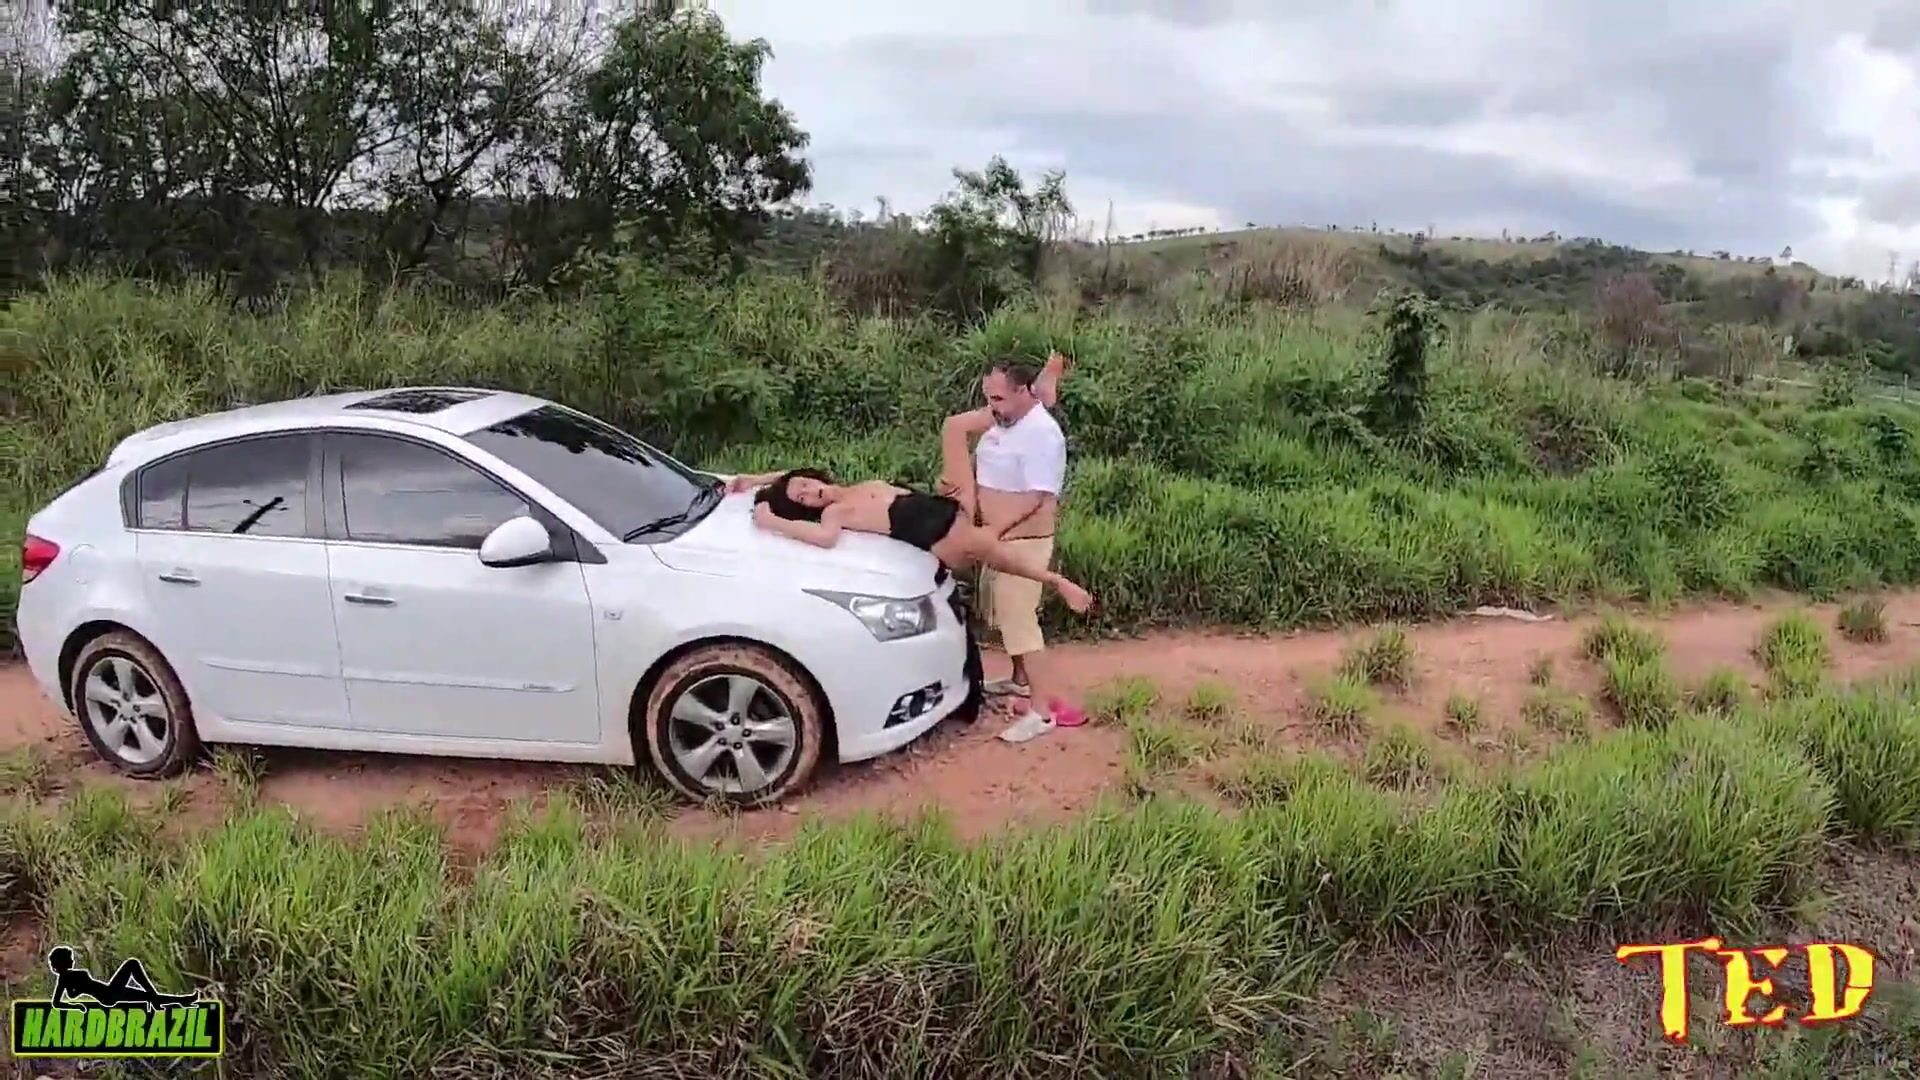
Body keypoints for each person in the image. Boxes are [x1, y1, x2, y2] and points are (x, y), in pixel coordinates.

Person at [939, 353, 1081, 744]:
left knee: (1020, 622)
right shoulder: (1003, 421)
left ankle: (1042, 712)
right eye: (988, 398)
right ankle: (1019, 680)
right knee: (999, 612)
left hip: (1022, 540)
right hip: (998, 537)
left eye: (998, 399)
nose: (991, 407)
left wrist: (994, 530)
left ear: (1023, 392)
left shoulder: (1042, 434)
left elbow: (1037, 497)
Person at [727, 469, 1094, 616]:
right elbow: (823, 539)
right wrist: (774, 521)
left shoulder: (855, 486)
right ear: (803, 508)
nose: (810, 492)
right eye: (802, 498)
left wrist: (757, 479)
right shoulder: (834, 513)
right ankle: (1056, 582)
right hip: (932, 532)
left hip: (941, 510)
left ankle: (1036, 548)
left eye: (806, 484)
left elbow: (792, 473)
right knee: (992, 551)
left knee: (992, 546)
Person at [47, 946, 198, 1011]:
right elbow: (57, 1003)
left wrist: (75, 1003)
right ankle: (164, 1000)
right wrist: (76, 1006)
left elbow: (60, 1001)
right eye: (70, 959)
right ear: (63, 962)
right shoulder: (67, 978)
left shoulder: (67, 978)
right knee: (132, 965)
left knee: (146, 995)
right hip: (108, 995)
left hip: (108, 992)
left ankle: (183, 1000)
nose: (72, 961)